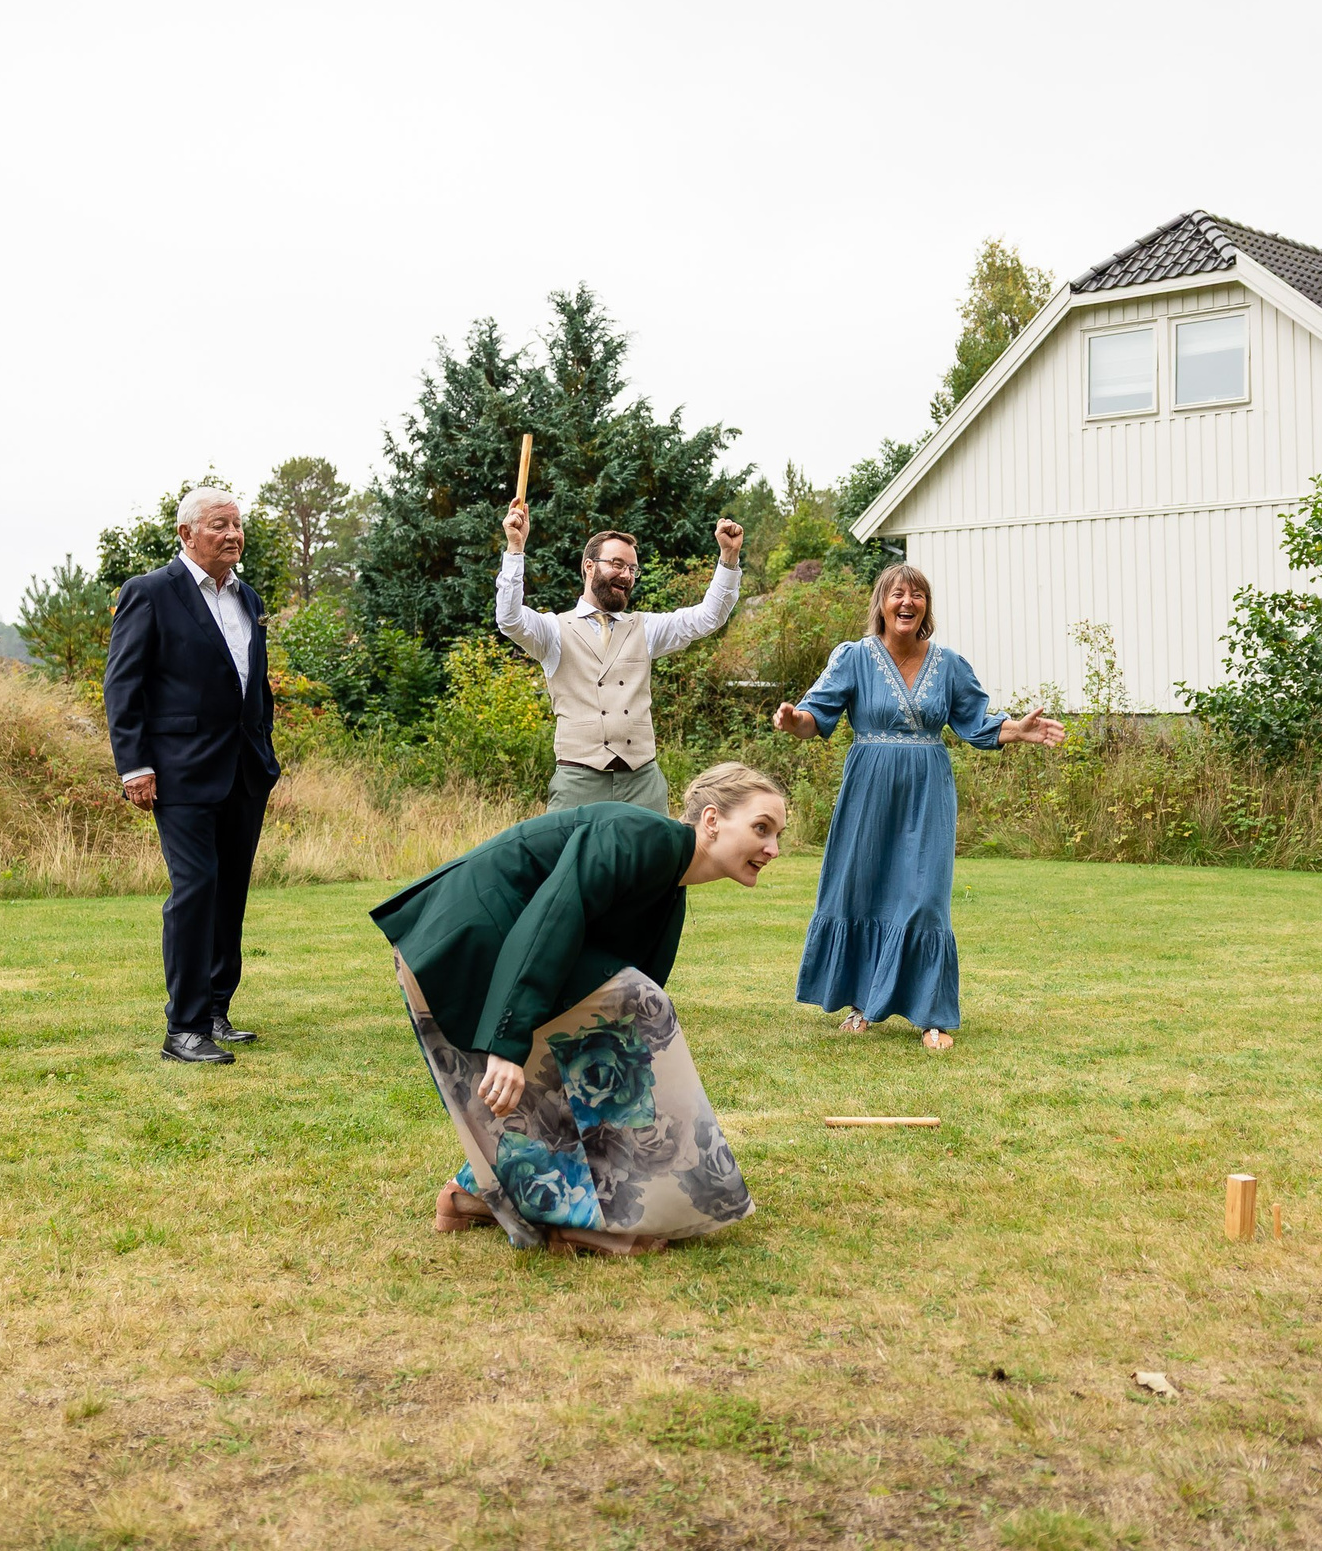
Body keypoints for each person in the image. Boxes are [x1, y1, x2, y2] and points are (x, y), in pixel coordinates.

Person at [369, 762, 787, 1254]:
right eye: (762, 828)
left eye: (778, 834)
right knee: (641, 1004)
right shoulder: (638, 837)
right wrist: (508, 1040)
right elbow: (554, 916)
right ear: (712, 820)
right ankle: (595, 1218)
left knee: (622, 1025)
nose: (773, 849)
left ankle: (473, 1194)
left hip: (480, 943)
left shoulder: (669, 881)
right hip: (463, 944)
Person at [772, 564, 1065, 1050]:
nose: (907, 603)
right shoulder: (853, 658)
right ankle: (863, 1004)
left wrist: (1020, 730)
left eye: (918, 595)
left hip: (927, 787)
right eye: (897, 594)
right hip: (869, 787)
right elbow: (813, 717)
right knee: (861, 887)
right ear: (881, 604)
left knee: (926, 895)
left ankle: (931, 1013)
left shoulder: (949, 664)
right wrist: (793, 720)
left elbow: (977, 723)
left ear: (926, 606)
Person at [105, 487, 279, 1066]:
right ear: (186, 533)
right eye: (219, 524)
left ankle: (215, 1011)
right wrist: (135, 765)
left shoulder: (247, 597)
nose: (233, 534)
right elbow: (123, 686)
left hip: (244, 770)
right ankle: (182, 1027)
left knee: (230, 893)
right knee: (196, 888)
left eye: (238, 524)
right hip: (179, 773)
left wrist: (265, 751)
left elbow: (254, 684)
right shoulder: (151, 593)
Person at [496, 500, 743, 814]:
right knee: (569, 862)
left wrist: (729, 557)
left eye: (632, 569)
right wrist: (515, 549)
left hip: (642, 781)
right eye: (617, 564)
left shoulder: (645, 627)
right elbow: (509, 619)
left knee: (655, 864)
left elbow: (709, 617)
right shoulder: (553, 630)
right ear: (589, 566)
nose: (626, 575)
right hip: (577, 781)